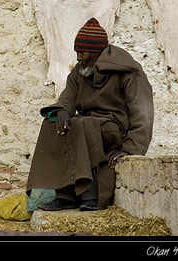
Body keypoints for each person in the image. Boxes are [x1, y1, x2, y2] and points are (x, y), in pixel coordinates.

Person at [26, 17, 154, 211]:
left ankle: (92, 195)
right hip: (88, 125)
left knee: (83, 125)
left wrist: (129, 149)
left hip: (115, 130)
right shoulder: (80, 71)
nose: (78, 58)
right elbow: (67, 98)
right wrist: (61, 111)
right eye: (77, 52)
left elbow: (143, 114)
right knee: (52, 124)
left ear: (98, 53)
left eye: (83, 52)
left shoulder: (129, 73)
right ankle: (65, 194)